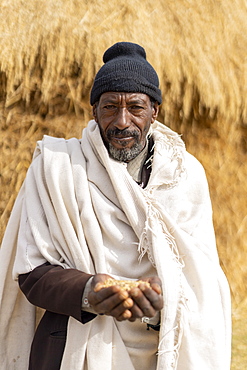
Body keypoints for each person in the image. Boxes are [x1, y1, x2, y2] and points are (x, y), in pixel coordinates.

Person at [0, 42, 231, 370]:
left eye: (135, 107)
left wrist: (164, 293)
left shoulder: (185, 175)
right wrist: (89, 291)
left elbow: (202, 275)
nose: (122, 122)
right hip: (75, 350)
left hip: (160, 352)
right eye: (110, 107)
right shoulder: (58, 168)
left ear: (155, 111)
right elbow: (32, 273)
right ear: (94, 111)